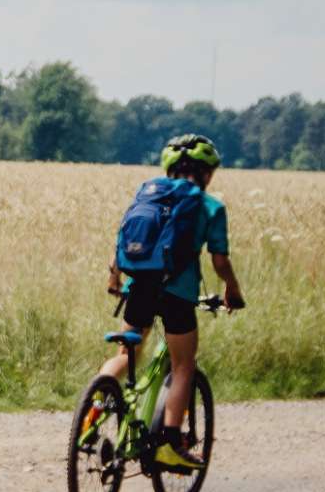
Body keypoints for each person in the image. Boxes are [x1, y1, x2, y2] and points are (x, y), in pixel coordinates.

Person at [98, 133, 245, 468]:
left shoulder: (149, 194)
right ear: (206, 173)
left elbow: (125, 238)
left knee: (126, 353)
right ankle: (169, 442)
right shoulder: (210, 206)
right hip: (178, 295)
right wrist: (233, 290)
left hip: (139, 287)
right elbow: (220, 261)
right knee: (183, 366)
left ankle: (95, 405)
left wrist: (114, 277)